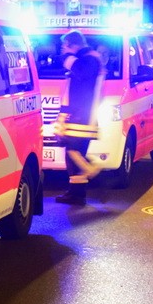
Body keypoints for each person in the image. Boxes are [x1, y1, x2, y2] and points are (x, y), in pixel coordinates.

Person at [54, 30, 104, 206]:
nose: (62, 49)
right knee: (73, 153)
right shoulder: (88, 58)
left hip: (83, 116)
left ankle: (91, 170)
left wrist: (68, 57)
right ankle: (77, 193)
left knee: (73, 152)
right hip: (79, 114)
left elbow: (81, 73)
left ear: (71, 43)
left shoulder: (90, 59)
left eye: (64, 46)